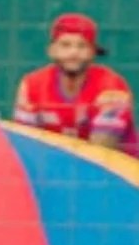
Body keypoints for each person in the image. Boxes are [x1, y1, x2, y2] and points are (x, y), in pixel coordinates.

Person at [13, 12, 138, 154]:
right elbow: (25, 146)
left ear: (92, 52)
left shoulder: (112, 87)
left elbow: (101, 153)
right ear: (51, 50)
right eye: (65, 45)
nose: (73, 52)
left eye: (82, 46)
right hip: (50, 169)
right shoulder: (31, 86)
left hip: (114, 172)